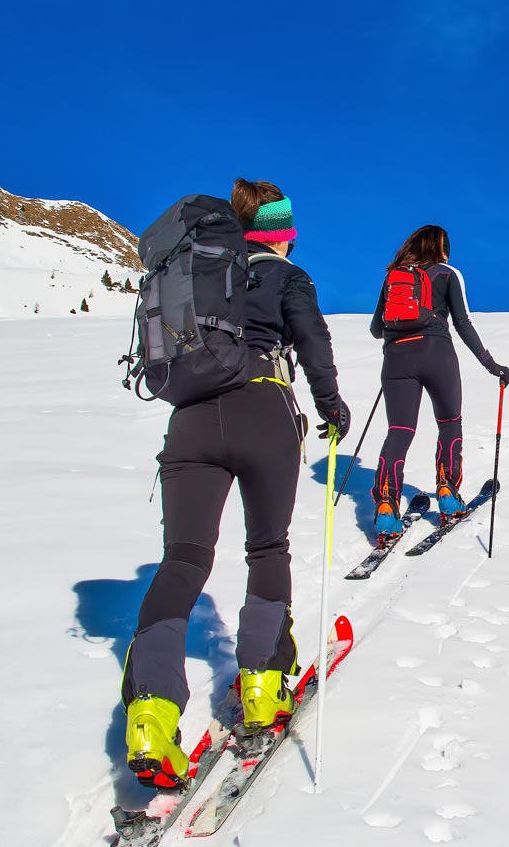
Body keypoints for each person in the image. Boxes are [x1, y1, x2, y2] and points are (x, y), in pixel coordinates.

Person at [123, 179, 352, 789]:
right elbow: (313, 342)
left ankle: (150, 714)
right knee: (267, 547)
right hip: (264, 411)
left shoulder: (202, 273)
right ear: (281, 233)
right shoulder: (286, 277)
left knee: (182, 562)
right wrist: (331, 406)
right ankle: (262, 685)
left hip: (192, 419)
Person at [367, 224, 509, 541]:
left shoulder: (393, 277)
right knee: (449, 423)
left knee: (399, 431)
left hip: (396, 359)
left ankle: (386, 507)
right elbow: (462, 322)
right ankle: (447, 492)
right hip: (437, 354)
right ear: (441, 247)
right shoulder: (447, 274)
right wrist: (491, 365)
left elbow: (377, 328)